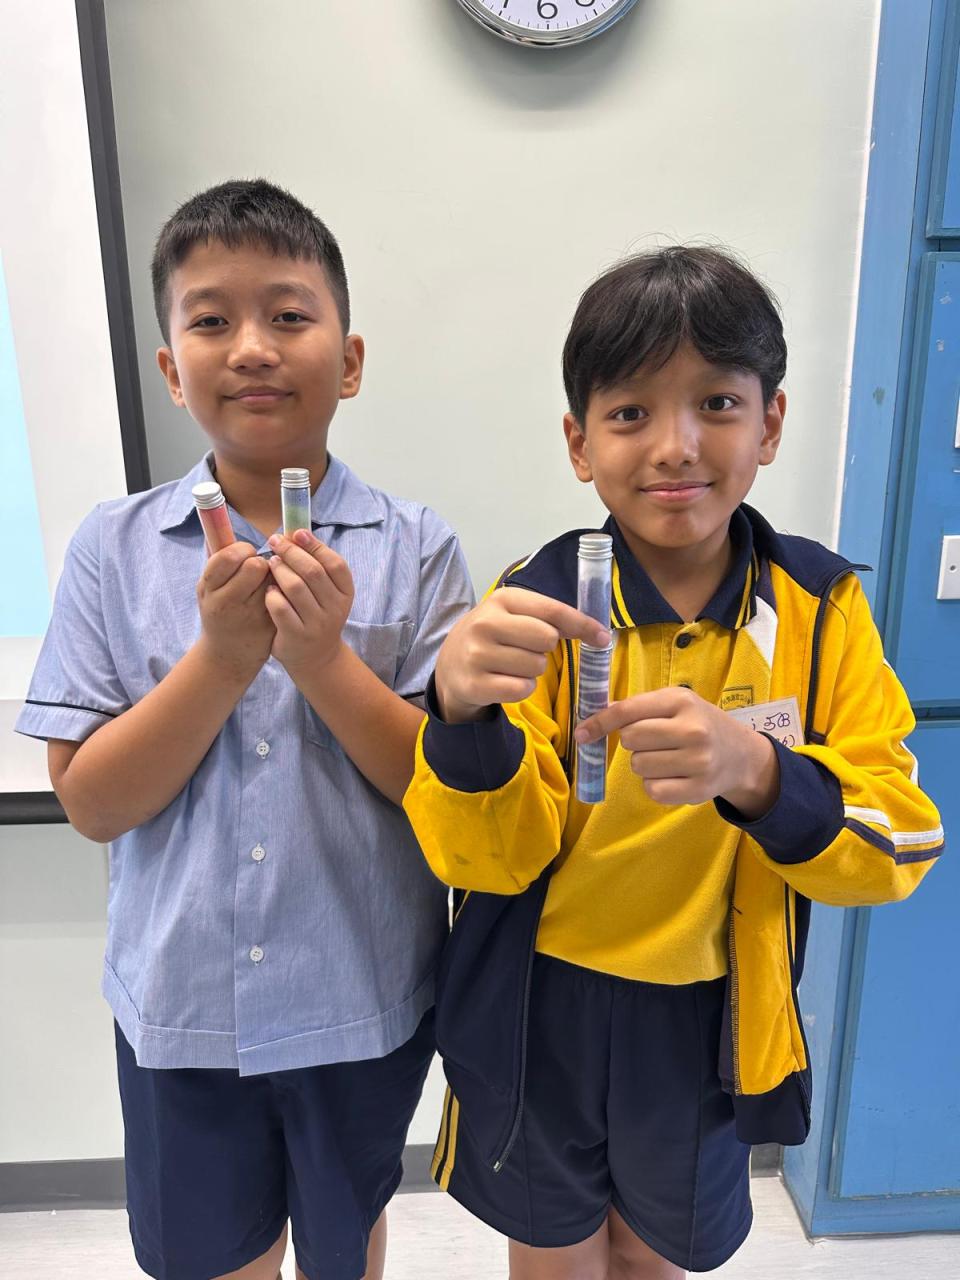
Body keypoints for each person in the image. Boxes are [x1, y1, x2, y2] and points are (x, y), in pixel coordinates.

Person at [402, 246, 944, 1278]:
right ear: (579, 442)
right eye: (630, 412)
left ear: (770, 423)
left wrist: (760, 772)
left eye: (717, 403)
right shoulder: (536, 601)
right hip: (541, 1010)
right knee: (553, 1256)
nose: (675, 445)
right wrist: (460, 715)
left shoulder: (820, 611)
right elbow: (488, 860)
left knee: (655, 1257)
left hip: (708, 1017)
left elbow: (903, 836)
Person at [16, 178, 473, 1280]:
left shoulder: (418, 546)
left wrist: (321, 662)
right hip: (182, 1005)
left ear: (349, 361)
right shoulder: (112, 547)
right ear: (172, 370)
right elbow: (92, 801)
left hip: (362, 998)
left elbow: (444, 788)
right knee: (210, 1253)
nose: (254, 346)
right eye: (212, 319)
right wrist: (221, 661)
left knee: (343, 1240)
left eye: (289, 313)